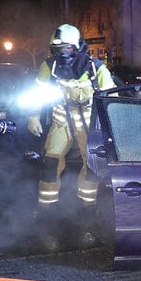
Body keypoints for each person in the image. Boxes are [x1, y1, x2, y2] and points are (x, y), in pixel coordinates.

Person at [27, 24, 116, 209]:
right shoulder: (49, 66)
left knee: (92, 164)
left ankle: (88, 205)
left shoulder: (95, 67)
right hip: (62, 121)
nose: (62, 53)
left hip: (89, 123)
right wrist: (33, 116)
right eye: (58, 49)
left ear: (77, 46)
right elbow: (36, 93)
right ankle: (46, 207)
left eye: (66, 48)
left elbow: (112, 98)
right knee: (50, 162)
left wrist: (114, 123)